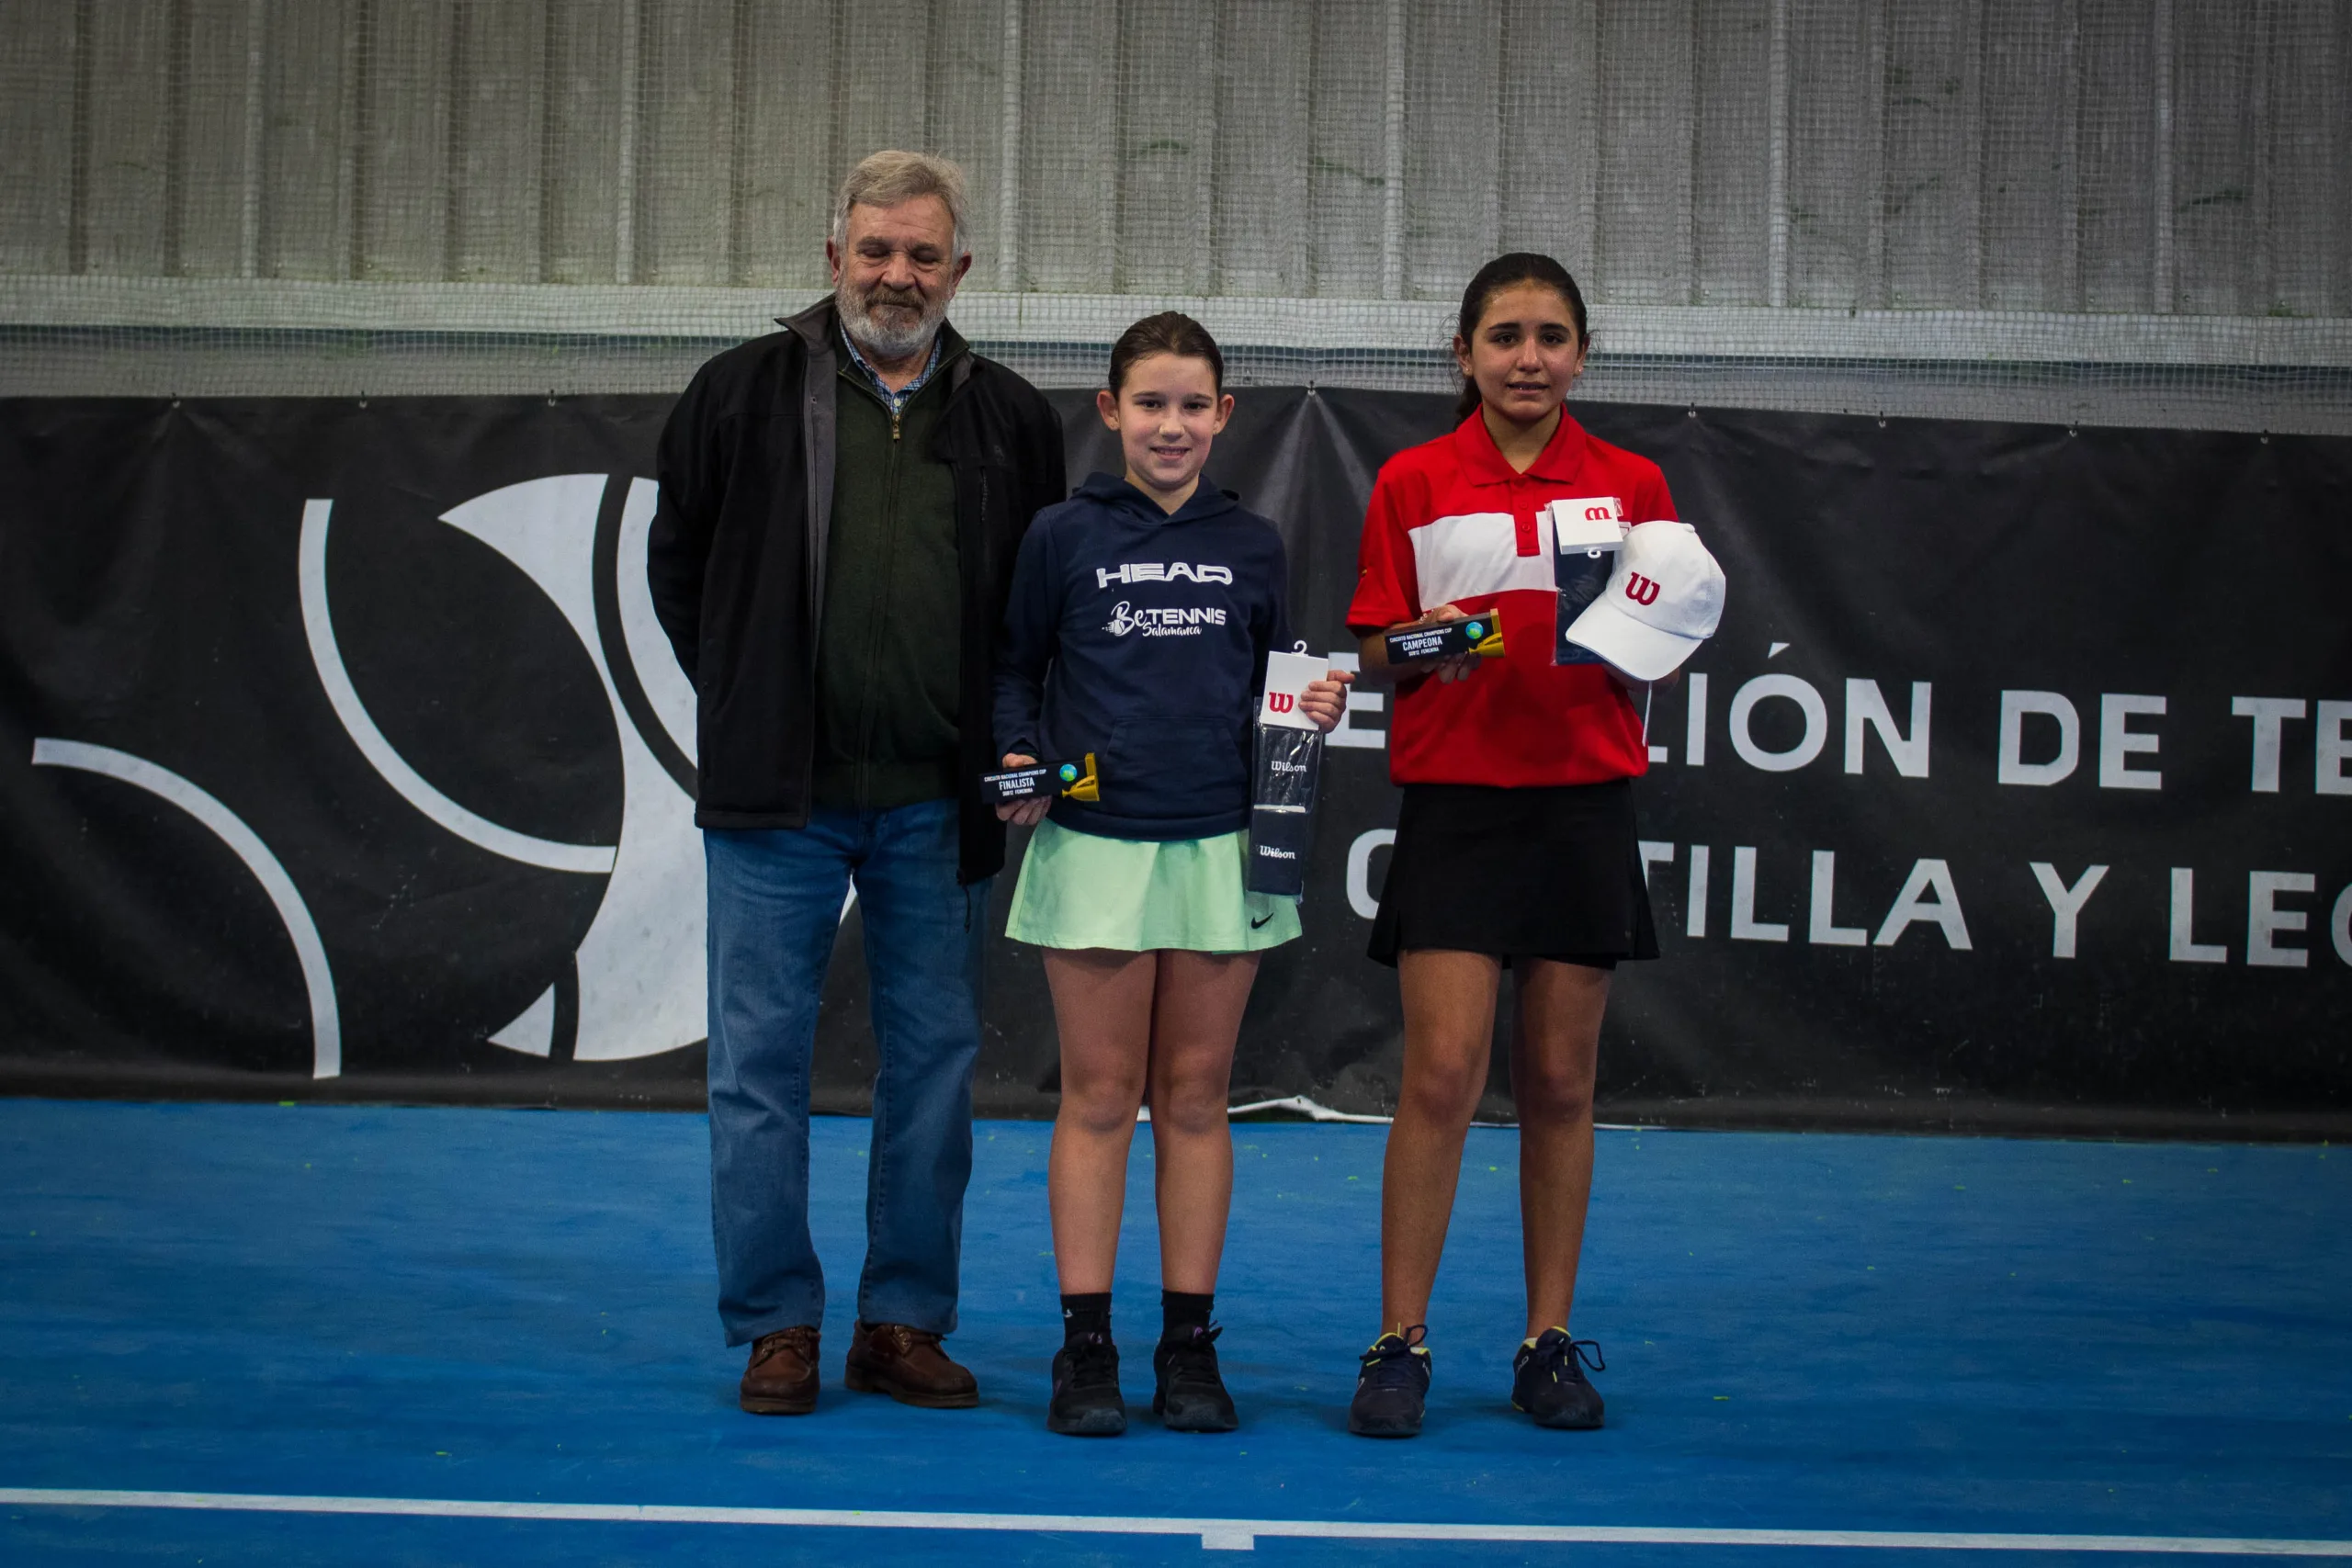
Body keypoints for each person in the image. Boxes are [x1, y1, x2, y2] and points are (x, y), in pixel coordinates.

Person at [646, 151, 1066, 1416]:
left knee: (933, 1065)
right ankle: (776, 1323)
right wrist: (750, 700)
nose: (897, 276)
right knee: (757, 1067)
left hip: (937, 804)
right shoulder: (736, 393)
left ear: (960, 270)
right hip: (777, 799)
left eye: (922, 255)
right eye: (875, 250)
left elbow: (1031, 612)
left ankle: (901, 1320)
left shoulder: (1012, 418)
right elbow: (680, 570)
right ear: (833, 257)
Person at [991, 312, 1350, 1437]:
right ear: (1110, 411)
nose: (1171, 425)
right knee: (1100, 1098)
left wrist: (1313, 705)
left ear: (1223, 415)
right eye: (1150, 403)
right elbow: (1013, 672)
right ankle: (1085, 1349)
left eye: (1193, 405)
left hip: (1219, 852)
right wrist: (1016, 756)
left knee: (1194, 1100)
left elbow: (1280, 682)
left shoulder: (1256, 545)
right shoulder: (1059, 534)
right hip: (1093, 848)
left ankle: (1188, 1348)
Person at [1341, 254, 1679, 1438]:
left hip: (1583, 805)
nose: (1527, 358)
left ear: (1580, 353)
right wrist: (1426, 638)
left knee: (1559, 1084)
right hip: (1457, 806)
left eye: (1549, 337)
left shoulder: (1634, 485)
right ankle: (1399, 1342)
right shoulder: (1413, 481)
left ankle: (1546, 1342)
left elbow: (1673, 631)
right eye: (1503, 337)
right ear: (1464, 353)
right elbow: (1374, 649)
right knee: (1439, 1077)